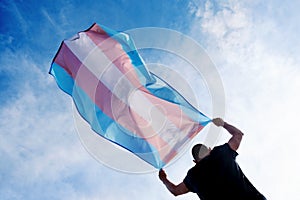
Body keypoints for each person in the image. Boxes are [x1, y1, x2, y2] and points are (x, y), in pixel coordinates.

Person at [158, 118, 266, 200]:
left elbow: (175, 191)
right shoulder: (221, 153)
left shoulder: (193, 176)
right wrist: (223, 124)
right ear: (209, 150)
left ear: (195, 162)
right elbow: (238, 135)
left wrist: (164, 179)